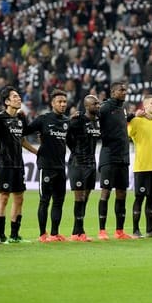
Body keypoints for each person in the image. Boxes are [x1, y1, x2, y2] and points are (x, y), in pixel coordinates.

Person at [0, 86, 37, 243]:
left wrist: (36, 152)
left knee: (19, 199)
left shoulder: (21, 118)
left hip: (19, 164)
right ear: (7, 101)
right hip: (5, 163)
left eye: (19, 96)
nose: (19, 99)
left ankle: (14, 235)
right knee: (4, 198)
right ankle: (1, 235)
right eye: (15, 96)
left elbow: (22, 140)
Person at [24, 89, 69, 242]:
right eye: (59, 102)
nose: (63, 104)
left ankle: (55, 234)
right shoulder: (43, 119)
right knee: (45, 200)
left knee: (59, 201)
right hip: (46, 167)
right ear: (52, 103)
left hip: (61, 167)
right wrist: (35, 151)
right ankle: (43, 234)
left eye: (64, 102)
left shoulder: (66, 122)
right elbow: (23, 132)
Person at [98, 82, 133, 240]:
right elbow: (92, 116)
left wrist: (133, 116)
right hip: (109, 156)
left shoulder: (122, 109)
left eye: (125, 89)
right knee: (106, 192)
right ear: (113, 92)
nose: (124, 92)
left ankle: (120, 231)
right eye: (121, 90)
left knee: (122, 193)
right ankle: (102, 230)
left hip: (123, 157)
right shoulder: (105, 107)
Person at [67, 95, 101, 241]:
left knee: (85, 198)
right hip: (78, 163)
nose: (98, 106)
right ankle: (79, 232)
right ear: (87, 106)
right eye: (95, 104)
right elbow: (67, 136)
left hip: (91, 164)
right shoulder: (78, 121)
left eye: (99, 103)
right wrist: (75, 151)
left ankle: (77, 230)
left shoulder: (98, 122)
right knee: (79, 197)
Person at [127, 94, 152, 238]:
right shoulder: (136, 121)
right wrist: (133, 116)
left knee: (151, 198)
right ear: (145, 106)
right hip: (141, 166)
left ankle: (150, 230)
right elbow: (127, 134)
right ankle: (135, 230)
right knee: (139, 198)